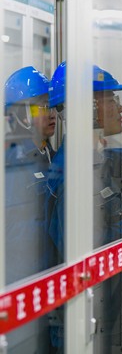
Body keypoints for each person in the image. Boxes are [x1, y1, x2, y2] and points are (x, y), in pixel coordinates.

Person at [4, 66, 55, 353]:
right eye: (40, 107)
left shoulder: (49, 154)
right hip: (22, 296)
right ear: (20, 114)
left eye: (50, 105)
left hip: (47, 290)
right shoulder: (12, 163)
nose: (49, 113)